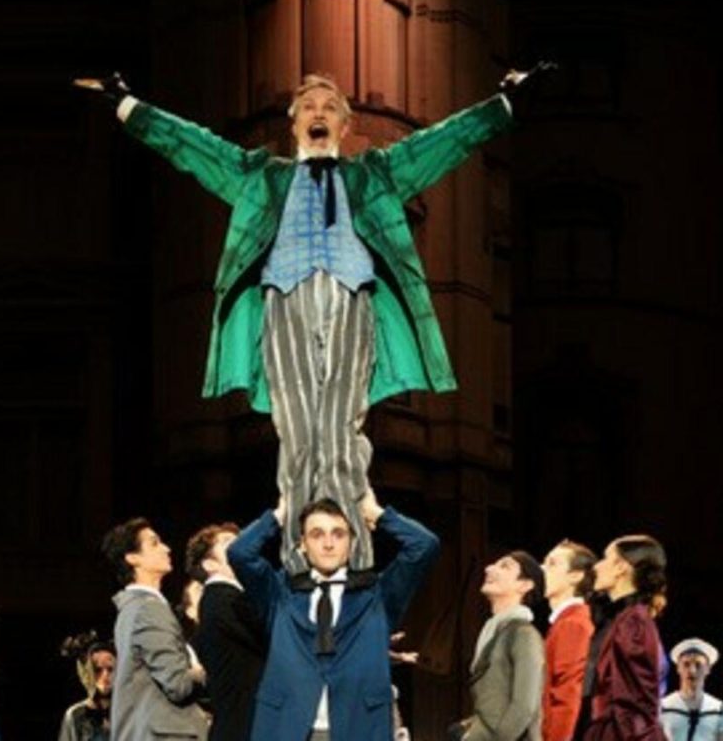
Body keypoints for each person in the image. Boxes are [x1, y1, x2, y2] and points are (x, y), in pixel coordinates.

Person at [77, 65, 547, 574]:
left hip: (351, 297)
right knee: (299, 433)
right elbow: (196, 148)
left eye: (329, 108)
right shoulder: (262, 175)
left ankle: (354, 567)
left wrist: (501, 105)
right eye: (308, 107)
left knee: (341, 431)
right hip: (286, 298)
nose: (318, 114)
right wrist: (129, 107)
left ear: (344, 125)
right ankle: (300, 568)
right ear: (294, 122)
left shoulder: (373, 174)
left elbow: (440, 144)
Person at [226, 489, 439, 741]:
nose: (328, 544)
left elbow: (424, 546)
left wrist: (378, 514)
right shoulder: (281, 593)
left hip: (360, 726)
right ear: (302, 544)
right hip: (287, 726)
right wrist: (278, 516)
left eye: (338, 534)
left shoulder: (377, 595)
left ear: (351, 543)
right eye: (317, 534)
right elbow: (239, 553)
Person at [101, 517, 208, 741]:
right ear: (132, 558)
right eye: (154, 543)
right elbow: (179, 684)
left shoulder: (133, 608)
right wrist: (215, 668)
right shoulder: (148, 609)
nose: (166, 548)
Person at [450, 550, 545, 741]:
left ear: (525, 585)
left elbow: (524, 707)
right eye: (494, 564)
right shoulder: (495, 631)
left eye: (505, 566)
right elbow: (493, 703)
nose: (489, 568)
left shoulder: (523, 634)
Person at [582, 534, 668, 741]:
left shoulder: (633, 622)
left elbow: (635, 705)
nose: (597, 567)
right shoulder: (620, 618)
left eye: (605, 558)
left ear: (621, 567)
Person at [185, 523, 266, 741]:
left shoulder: (226, 598)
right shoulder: (223, 598)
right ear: (210, 564)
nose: (241, 547)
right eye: (229, 543)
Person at [541, 540, 596, 741]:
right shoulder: (564, 622)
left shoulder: (573, 623)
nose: (542, 569)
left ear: (575, 576)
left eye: (552, 563)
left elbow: (567, 694)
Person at [660, 638, 723, 741]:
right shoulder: (663, 707)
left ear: (708, 669)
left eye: (698, 665)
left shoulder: (718, 709)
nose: (692, 670)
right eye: (686, 664)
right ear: (678, 668)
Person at [58, 632, 116, 741]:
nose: (105, 676)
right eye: (97, 670)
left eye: (110, 669)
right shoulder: (75, 715)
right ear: (86, 672)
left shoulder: (128, 712)